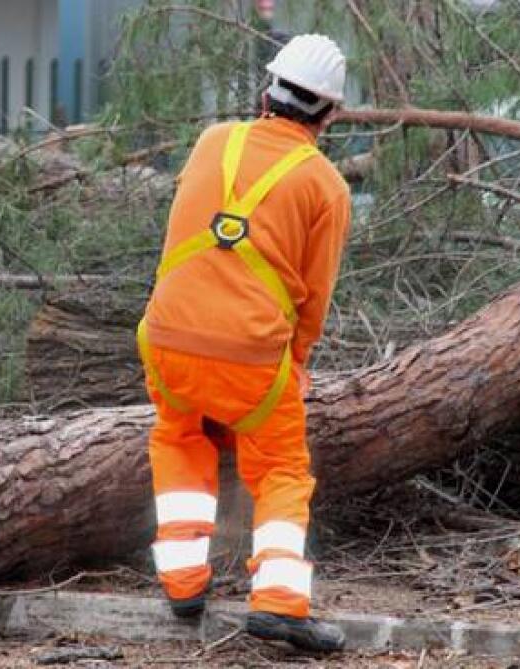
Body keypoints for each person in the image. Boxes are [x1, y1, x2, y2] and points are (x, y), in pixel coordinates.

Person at [137, 34, 351, 652]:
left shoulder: (211, 141)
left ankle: (182, 582)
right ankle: (281, 602)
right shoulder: (326, 186)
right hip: (253, 361)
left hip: (166, 341)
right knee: (281, 467)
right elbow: (313, 299)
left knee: (179, 438)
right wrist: (296, 367)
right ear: (329, 114)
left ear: (266, 92)